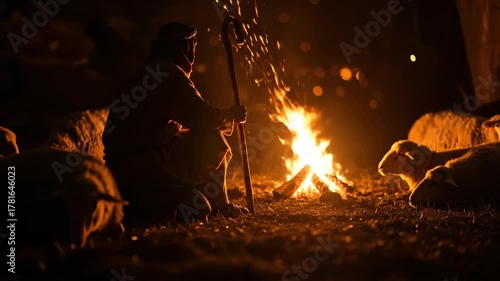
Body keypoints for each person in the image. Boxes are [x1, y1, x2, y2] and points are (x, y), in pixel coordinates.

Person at [102, 22, 248, 225]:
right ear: (184, 48)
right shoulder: (167, 73)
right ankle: (217, 204)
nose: (195, 52)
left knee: (196, 136)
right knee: (212, 137)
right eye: (193, 45)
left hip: (127, 162)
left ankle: (200, 197)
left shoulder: (146, 71)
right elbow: (202, 117)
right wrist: (230, 114)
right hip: (142, 165)